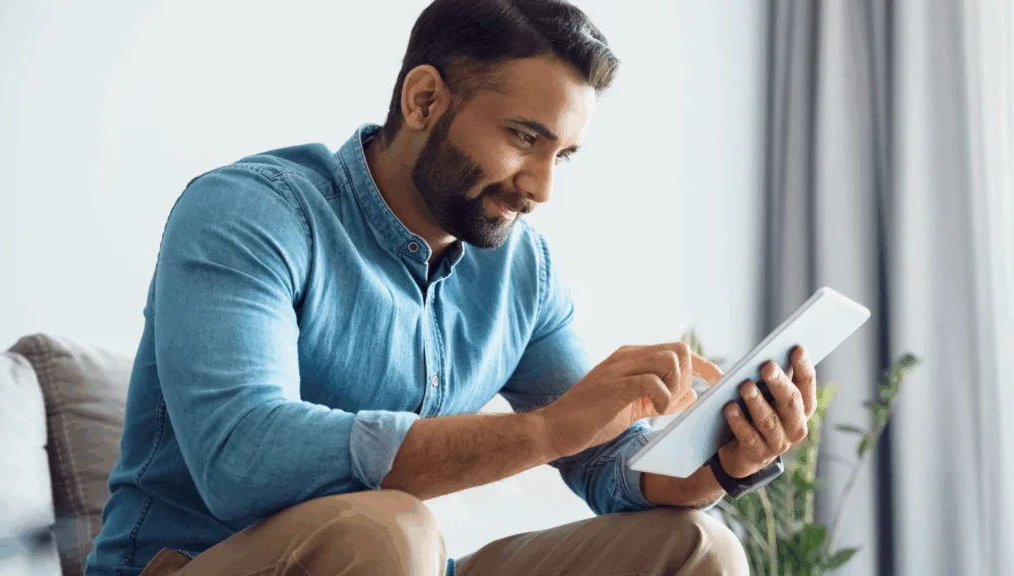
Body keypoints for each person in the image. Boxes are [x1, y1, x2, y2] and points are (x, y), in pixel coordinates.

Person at [86, 0, 819, 574]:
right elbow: (241, 462)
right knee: (392, 527)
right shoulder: (253, 212)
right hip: (196, 564)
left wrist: (726, 460)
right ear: (424, 100)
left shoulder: (520, 271)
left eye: (564, 156)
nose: (541, 188)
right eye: (524, 139)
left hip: (409, 564)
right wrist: (545, 429)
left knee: (698, 547)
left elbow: (605, 470)